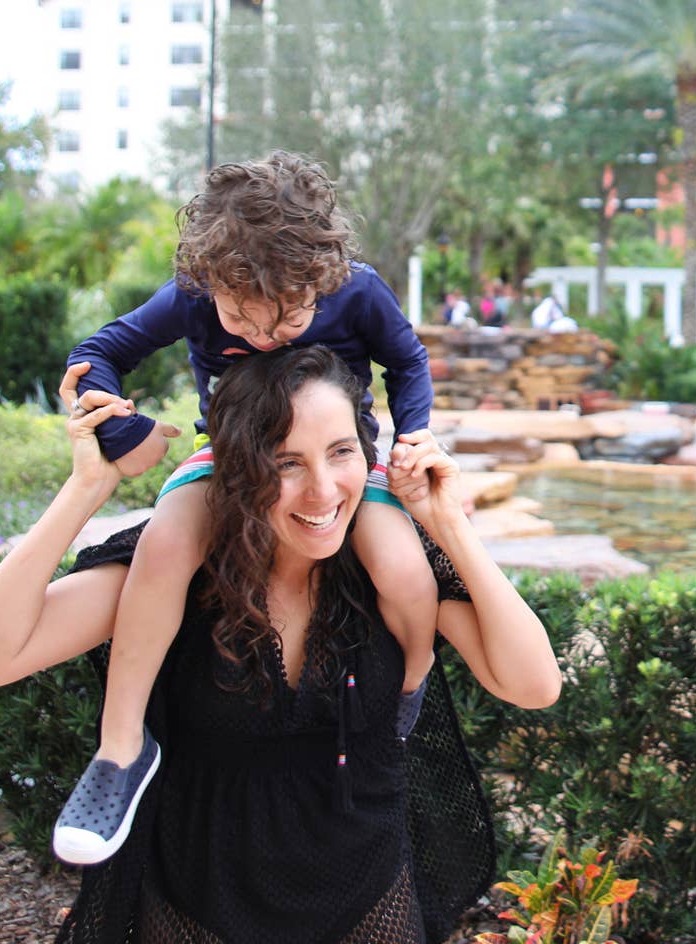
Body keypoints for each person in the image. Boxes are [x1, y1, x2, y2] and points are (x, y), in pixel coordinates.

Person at [0, 347, 561, 944]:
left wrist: (447, 523)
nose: (322, 491)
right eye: (286, 462)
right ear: (236, 469)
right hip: (200, 902)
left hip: (366, 896)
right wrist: (85, 490)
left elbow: (534, 686)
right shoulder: (173, 578)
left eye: (341, 452)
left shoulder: (387, 574)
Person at [57, 150, 440, 865]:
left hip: (339, 462)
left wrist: (412, 433)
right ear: (210, 284)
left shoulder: (357, 293)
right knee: (163, 548)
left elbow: (408, 361)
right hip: (231, 459)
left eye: (288, 318)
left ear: (321, 280)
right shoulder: (191, 297)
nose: (262, 336)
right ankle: (120, 749)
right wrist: (120, 428)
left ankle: (410, 686)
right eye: (242, 319)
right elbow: (95, 354)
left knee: (405, 568)